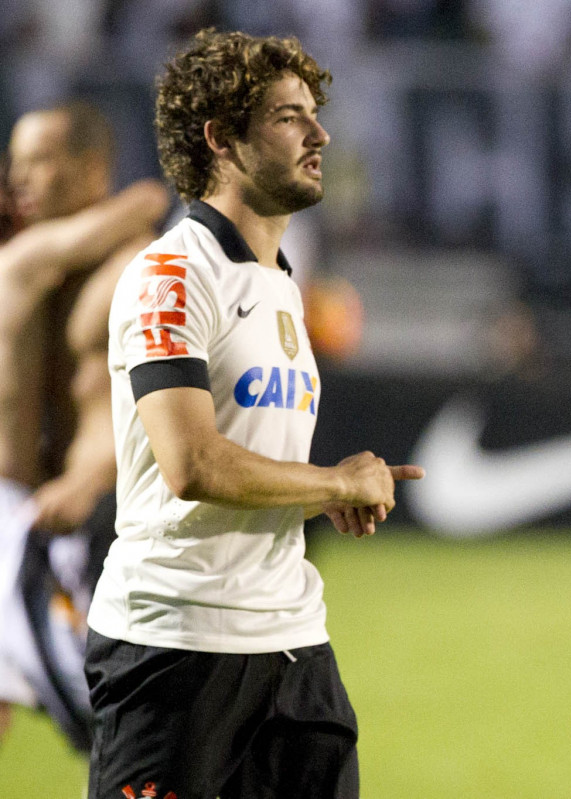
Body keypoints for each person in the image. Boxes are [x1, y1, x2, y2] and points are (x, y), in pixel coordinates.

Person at [85, 29, 424, 799]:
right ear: (221, 139)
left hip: (294, 647)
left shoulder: (280, 283)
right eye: (287, 116)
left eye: (314, 113)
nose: (319, 133)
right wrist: (333, 484)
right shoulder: (171, 274)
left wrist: (315, 494)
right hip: (173, 648)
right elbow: (192, 463)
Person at [0, 102, 170, 752]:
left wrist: (80, 481)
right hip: (35, 519)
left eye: (40, 159)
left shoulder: (133, 272)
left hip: (83, 526)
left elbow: (142, 414)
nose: (20, 176)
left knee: (121, 732)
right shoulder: (37, 266)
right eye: (15, 158)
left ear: (94, 169)